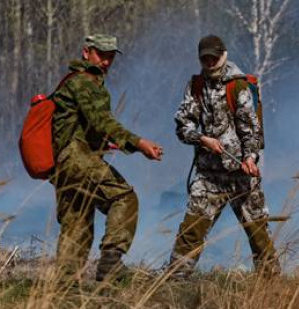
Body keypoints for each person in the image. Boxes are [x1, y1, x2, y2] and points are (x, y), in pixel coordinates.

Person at [51, 34, 163, 283]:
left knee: (76, 223)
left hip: (65, 163)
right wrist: (138, 143)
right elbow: (102, 121)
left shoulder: (79, 82)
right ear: (86, 52)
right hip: (75, 157)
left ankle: (65, 289)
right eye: (101, 54)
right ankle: (110, 264)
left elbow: (88, 125)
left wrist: (104, 143)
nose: (106, 61)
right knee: (124, 197)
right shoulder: (83, 82)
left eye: (110, 56)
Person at [169, 34, 279, 277]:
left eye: (213, 58)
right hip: (208, 176)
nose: (210, 63)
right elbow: (182, 126)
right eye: (205, 58)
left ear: (223, 55)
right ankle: (174, 284)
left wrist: (250, 158)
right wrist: (202, 139)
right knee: (191, 233)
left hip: (240, 173)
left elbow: (251, 130)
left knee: (259, 233)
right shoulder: (196, 86)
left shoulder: (237, 85)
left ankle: (273, 288)